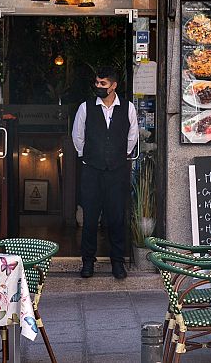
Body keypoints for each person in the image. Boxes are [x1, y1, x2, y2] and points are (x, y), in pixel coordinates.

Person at [72, 67, 138, 279]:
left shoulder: (127, 108)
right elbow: (77, 136)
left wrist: (120, 155)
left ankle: (118, 263)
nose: (98, 87)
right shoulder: (86, 107)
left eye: (103, 84)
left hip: (117, 172)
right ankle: (88, 262)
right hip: (92, 170)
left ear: (114, 86)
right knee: (90, 218)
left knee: (116, 218)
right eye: (97, 83)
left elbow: (132, 136)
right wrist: (88, 156)